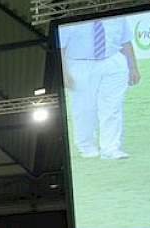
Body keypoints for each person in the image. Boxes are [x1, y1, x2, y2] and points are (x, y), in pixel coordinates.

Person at [59, 15, 140, 160]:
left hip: (113, 61)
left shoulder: (116, 14)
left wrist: (132, 66)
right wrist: (64, 73)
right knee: (84, 109)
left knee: (112, 107)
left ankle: (111, 148)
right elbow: (61, 47)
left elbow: (126, 40)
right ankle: (86, 146)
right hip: (80, 64)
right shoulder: (72, 16)